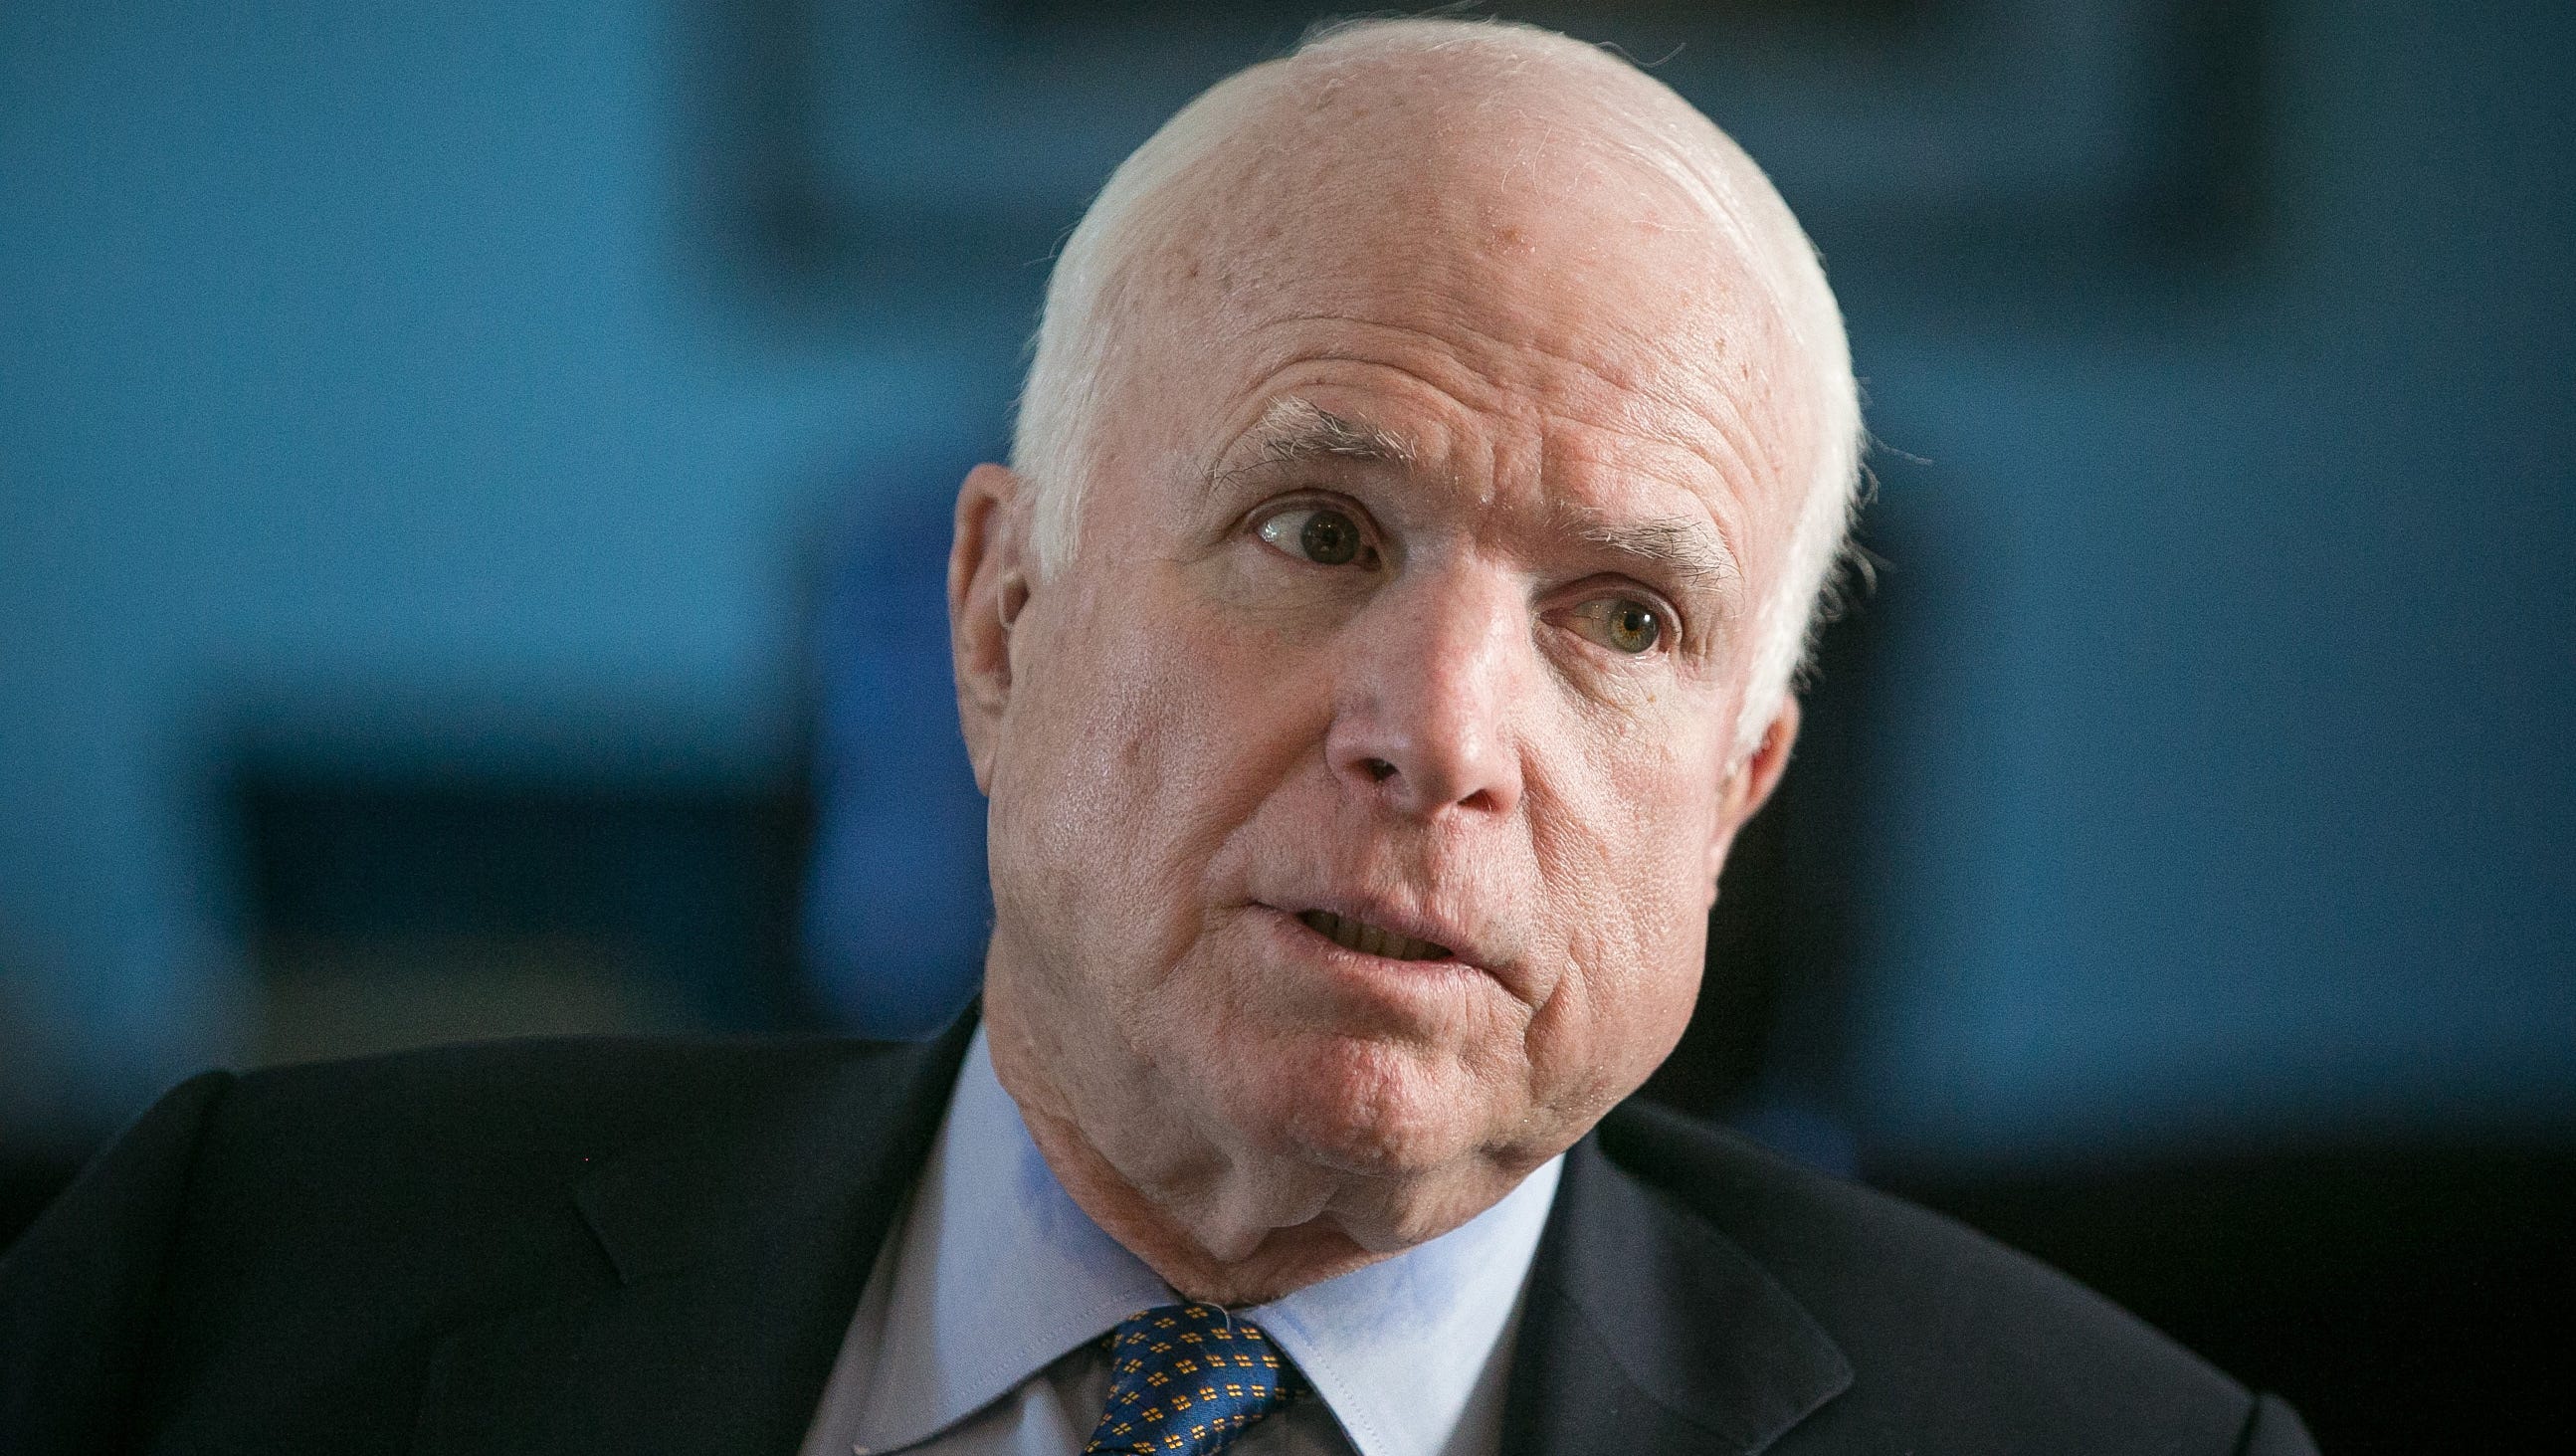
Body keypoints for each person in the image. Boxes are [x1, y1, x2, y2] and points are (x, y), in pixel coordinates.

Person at [0, 18, 2317, 1456]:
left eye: (1620, 615)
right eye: (1316, 528)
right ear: (999, 622)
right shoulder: (236, 1277)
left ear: (1731, 802)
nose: (1439, 734)